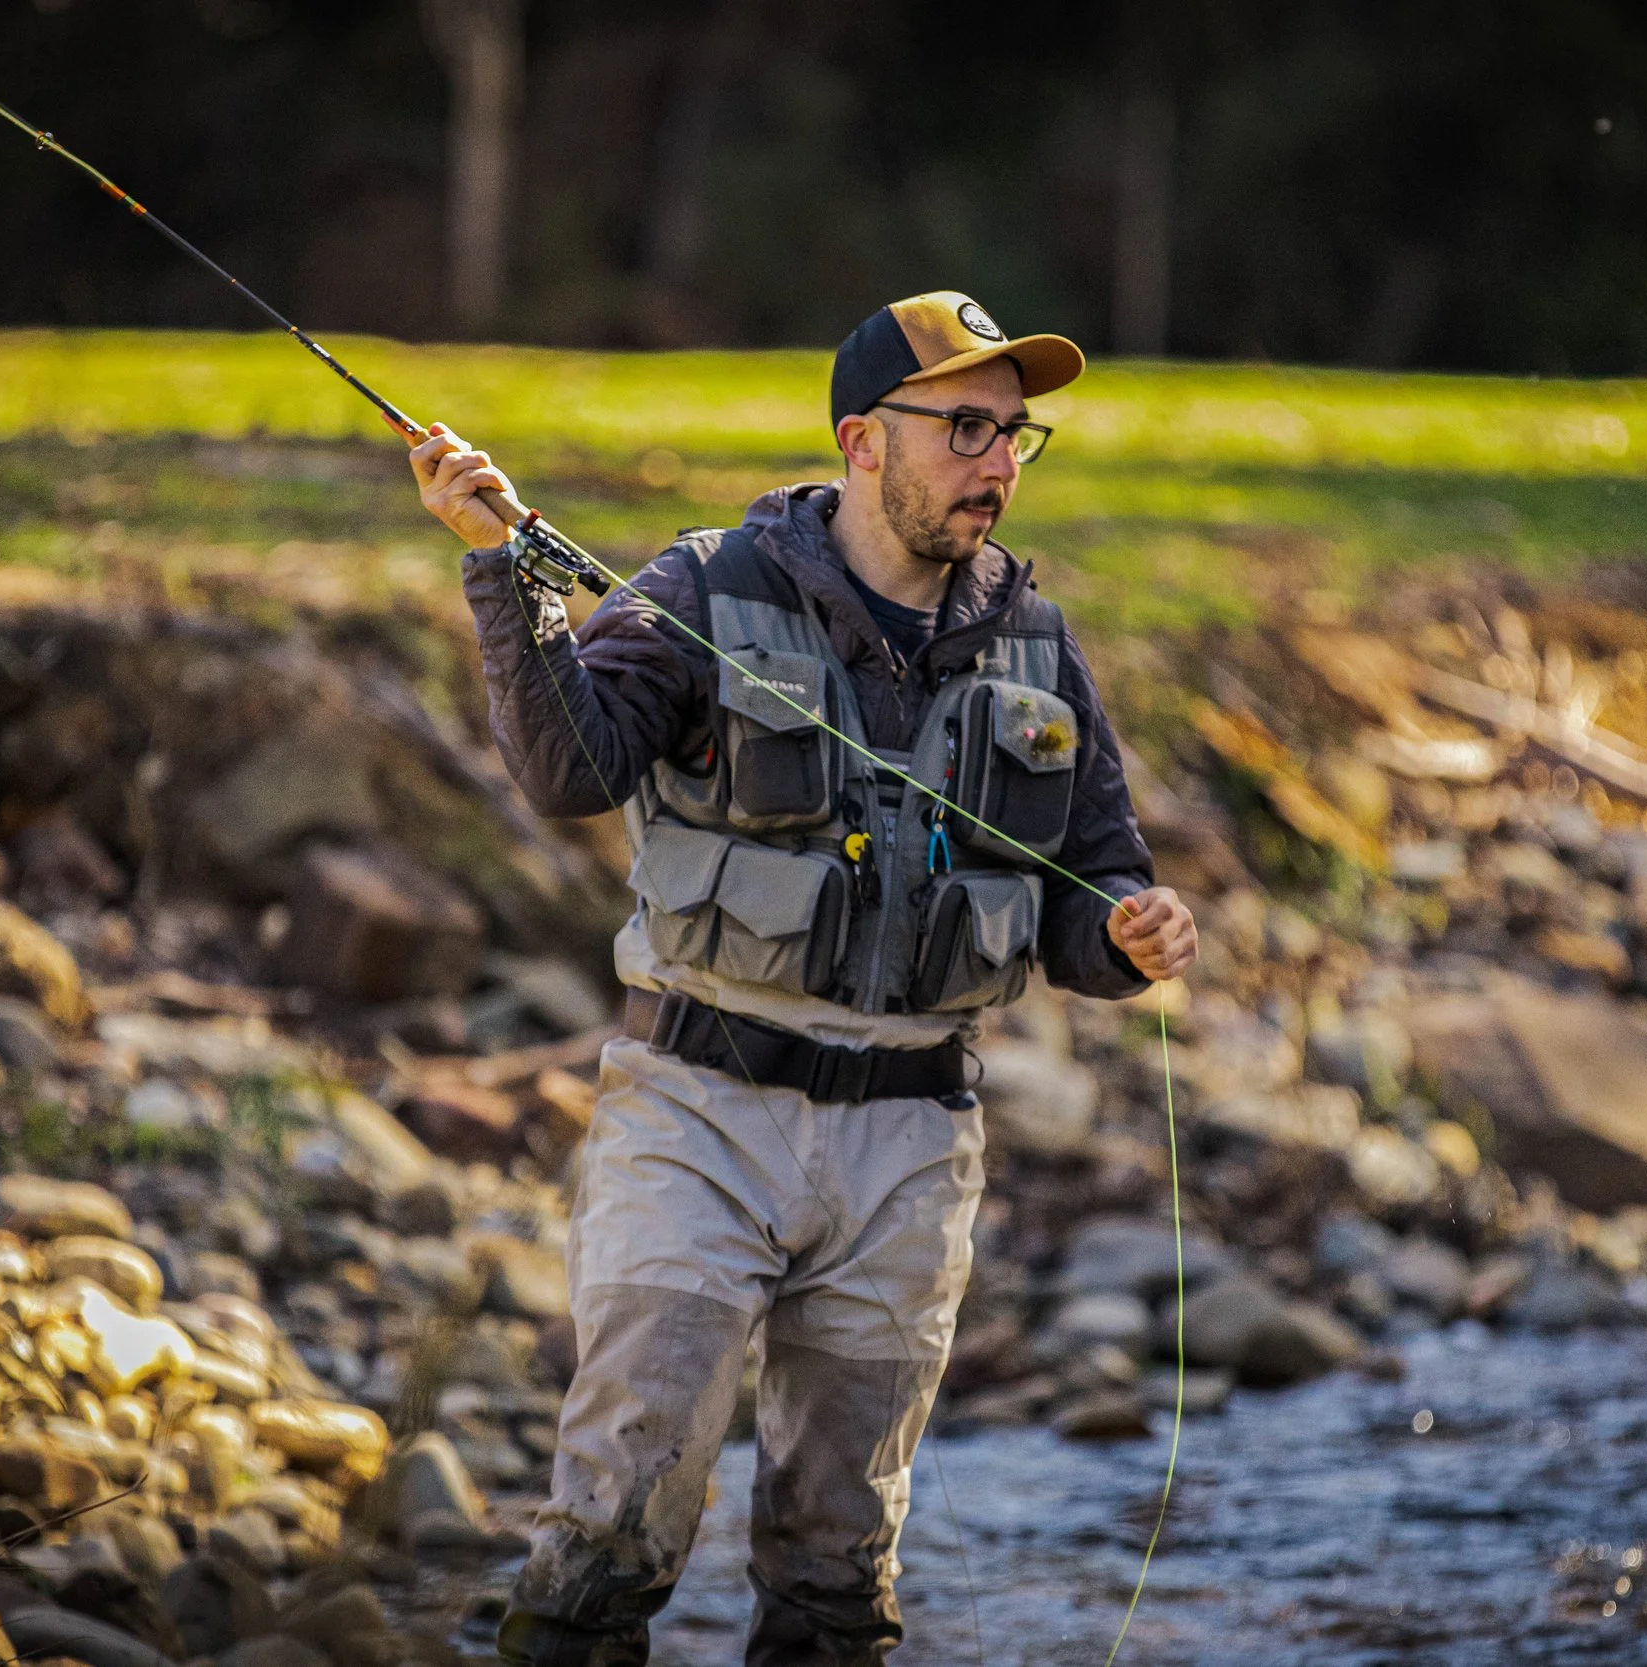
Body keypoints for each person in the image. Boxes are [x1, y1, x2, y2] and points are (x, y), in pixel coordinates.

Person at [411, 291, 1198, 1666]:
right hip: (698, 1112)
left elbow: (1091, 886)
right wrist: (503, 570)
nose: (998, 463)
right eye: (964, 428)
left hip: (913, 1143)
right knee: (610, 1532)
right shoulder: (707, 588)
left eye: (1015, 433)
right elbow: (569, 770)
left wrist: (1131, 933)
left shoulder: (1037, 644)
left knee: (839, 1569)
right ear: (861, 439)